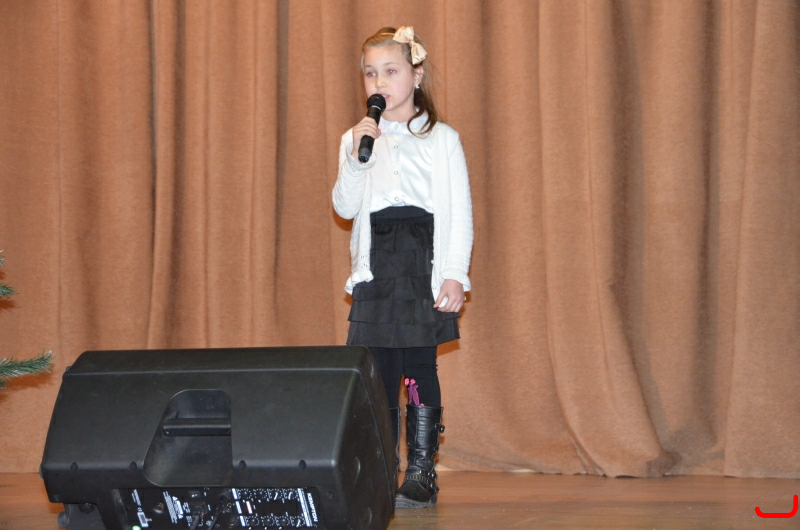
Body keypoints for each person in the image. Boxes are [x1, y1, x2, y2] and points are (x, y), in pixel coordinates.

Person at [332, 26, 473, 509]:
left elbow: (459, 212)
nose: (380, 82)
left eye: (391, 71)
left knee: (417, 366)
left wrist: (454, 272)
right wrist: (357, 158)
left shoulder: (442, 139)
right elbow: (344, 207)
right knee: (377, 370)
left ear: (415, 75)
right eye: (371, 73)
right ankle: (381, 467)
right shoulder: (356, 139)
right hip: (377, 264)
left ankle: (420, 470)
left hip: (422, 261)